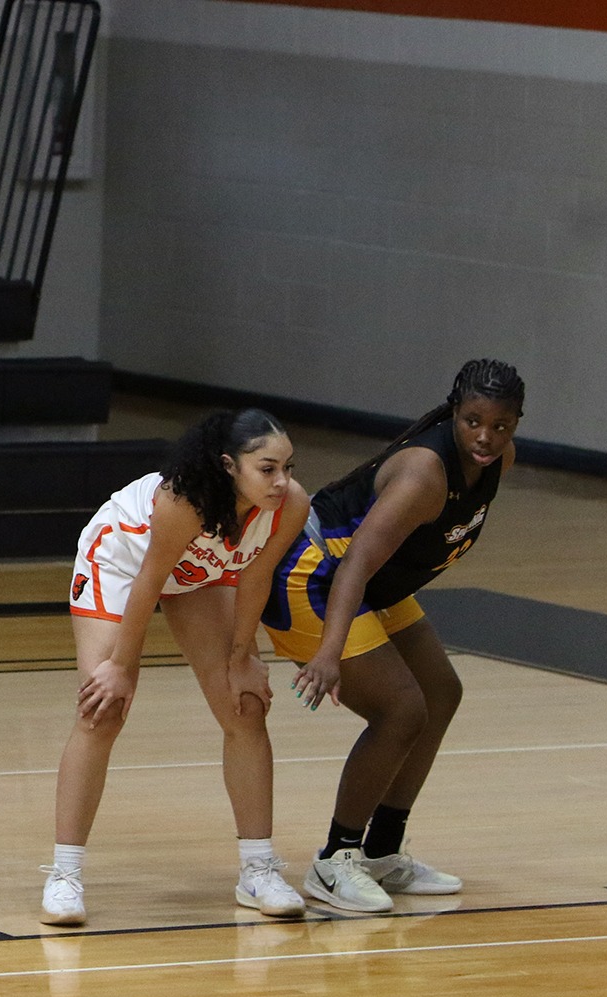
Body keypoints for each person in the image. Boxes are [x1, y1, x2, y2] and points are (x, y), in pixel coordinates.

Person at [264, 359, 524, 912]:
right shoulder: (424, 476)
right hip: (315, 575)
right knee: (401, 709)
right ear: (455, 412)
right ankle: (334, 861)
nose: (486, 437)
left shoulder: (497, 461)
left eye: (500, 426)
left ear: (516, 425)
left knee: (440, 694)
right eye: (474, 421)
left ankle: (381, 853)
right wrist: (329, 654)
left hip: (370, 582)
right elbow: (355, 563)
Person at [41, 409, 311, 926]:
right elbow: (149, 580)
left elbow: (255, 577)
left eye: (289, 468)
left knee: (245, 706)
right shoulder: (183, 502)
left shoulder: (291, 505)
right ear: (230, 466)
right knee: (104, 709)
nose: (283, 482)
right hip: (121, 564)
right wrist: (121, 664)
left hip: (202, 574)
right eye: (268, 469)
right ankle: (64, 875)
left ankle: (258, 870)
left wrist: (242, 657)